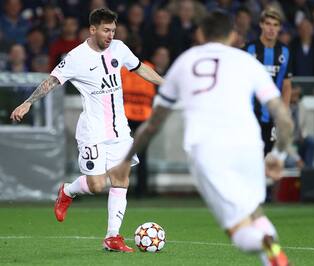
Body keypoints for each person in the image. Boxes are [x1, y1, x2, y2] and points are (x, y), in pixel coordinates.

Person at [111, 11, 293, 266]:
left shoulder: (186, 62)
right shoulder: (248, 62)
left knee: (239, 232)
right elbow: (284, 118)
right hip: (249, 146)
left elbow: (151, 126)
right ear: (232, 35)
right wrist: (278, 155)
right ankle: (272, 252)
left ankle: (270, 248)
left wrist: (125, 159)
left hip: (207, 149)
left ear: (199, 34)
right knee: (252, 211)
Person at [10, 8, 164, 252]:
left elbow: (140, 68)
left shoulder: (120, 49)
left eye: (113, 30)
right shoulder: (76, 57)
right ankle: (67, 191)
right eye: (106, 30)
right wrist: (28, 102)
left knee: (121, 178)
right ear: (93, 30)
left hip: (120, 130)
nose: (110, 35)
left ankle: (113, 236)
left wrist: (166, 84)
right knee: (96, 186)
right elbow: (52, 80)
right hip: (93, 131)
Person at [244, 8, 292, 155]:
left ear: (280, 28)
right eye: (268, 24)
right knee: (251, 155)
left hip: (273, 116)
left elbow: (286, 85)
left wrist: (283, 113)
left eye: (275, 25)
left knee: (270, 155)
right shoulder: (249, 49)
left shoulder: (284, 52)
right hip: (252, 115)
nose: (271, 29)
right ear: (261, 25)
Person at [121, 60, 156, 198]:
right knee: (141, 155)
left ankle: (122, 186)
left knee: (124, 153)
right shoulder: (149, 67)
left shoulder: (122, 67)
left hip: (126, 114)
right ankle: (141, 190)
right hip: (144, 115)